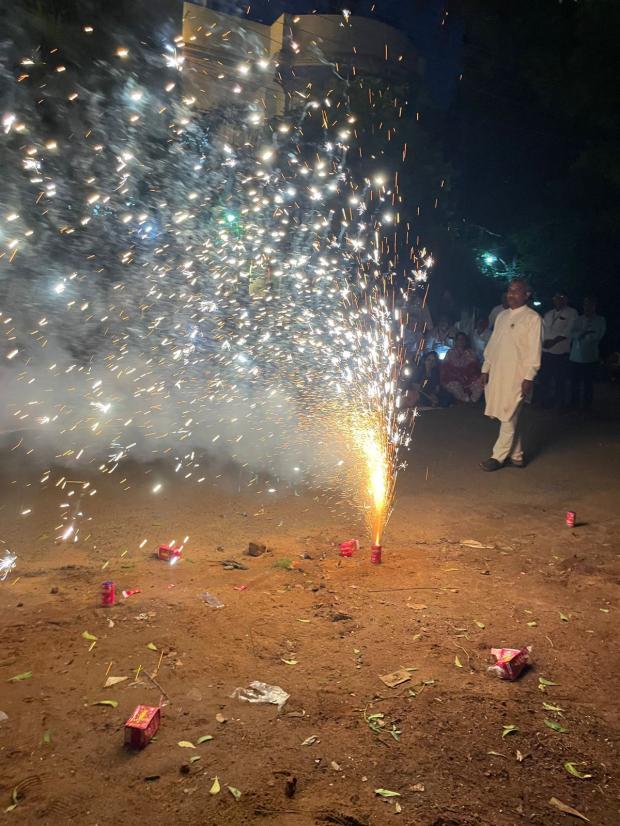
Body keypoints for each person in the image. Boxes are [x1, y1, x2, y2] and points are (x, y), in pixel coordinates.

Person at [479, 278, 542, 471]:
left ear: (526, 295)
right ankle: (517, 455)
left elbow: (534, 351)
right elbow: (493, 344)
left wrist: (529, 376)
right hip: (499, 372)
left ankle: (497, 457)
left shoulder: (533, 318)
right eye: (509, 290)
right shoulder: (502, 316)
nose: (511, 294)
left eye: (516, 291)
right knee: (508, 414)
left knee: (508, 413)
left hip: (518, 375)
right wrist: (485, 368)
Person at [539, 291, 578, 407]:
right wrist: (542, 343)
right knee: (545, 378)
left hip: (561, 352)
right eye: (556, 298)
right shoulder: (548, 313)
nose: (558, 300)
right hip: (546, 351)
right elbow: (542, 330)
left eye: (561, 297)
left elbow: (568, 331)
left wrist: (553, 342)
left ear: (566, 299)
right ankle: (544, 401)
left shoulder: (572, 312)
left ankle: (559, 403)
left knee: (560, 379)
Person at [569, 297, 606, 411]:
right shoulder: (578, 319)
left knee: (588, 383)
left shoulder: (600, 320)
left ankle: (587, 406)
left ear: (594, 306)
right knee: (574, 382)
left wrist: (581, 335)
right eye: (586, 305)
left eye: (590, 305)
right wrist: (583, 333)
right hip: (575, 356)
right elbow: (572, 333)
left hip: (590, 356)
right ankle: (574, 404)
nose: (587, 307)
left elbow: (597, 336)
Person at [441, 332, 484, 403]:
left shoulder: (470, 352)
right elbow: (445, 367)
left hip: (468, 377)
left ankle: (473, 401)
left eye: (463, 339)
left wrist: (467, 375)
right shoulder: (450, 352)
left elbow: (474, 367)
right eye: (459, 339)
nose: (461, 341)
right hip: (453, 377)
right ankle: (465, 400)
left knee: (479, 382)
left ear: (466, 341)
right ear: (455, 341)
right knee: (454, 385)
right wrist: (457, 374)